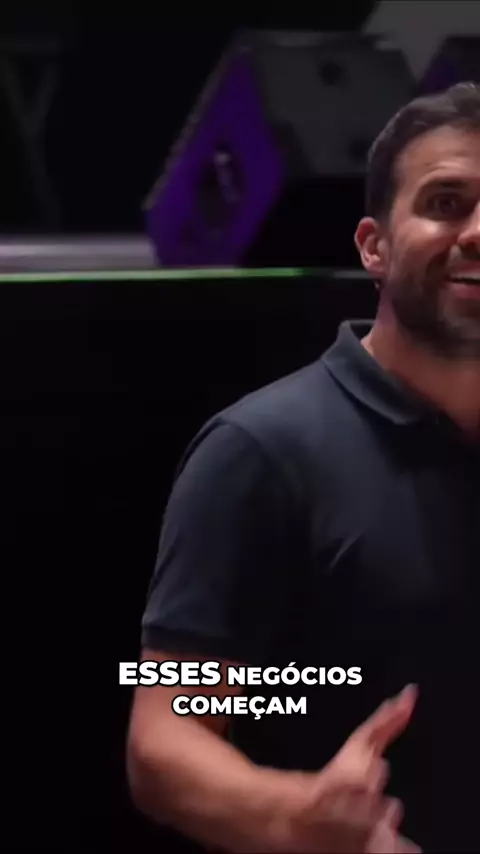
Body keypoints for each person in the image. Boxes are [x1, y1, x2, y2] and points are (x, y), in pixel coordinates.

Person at [126, 80, 480, 853]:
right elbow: (166, 735)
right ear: (374, 246)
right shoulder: (264, 450)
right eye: (446, 203)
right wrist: (295, 815)